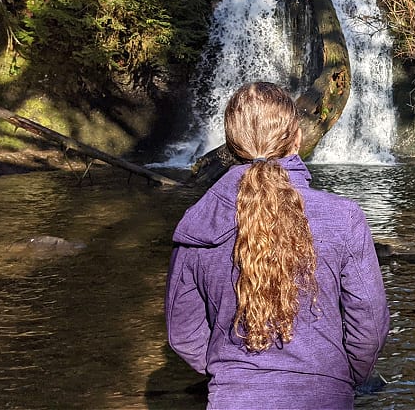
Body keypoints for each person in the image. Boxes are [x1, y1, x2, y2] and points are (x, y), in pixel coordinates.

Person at [165, 82, 390, 409]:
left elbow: (182, 334)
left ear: (230, 146)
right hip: (323, 398)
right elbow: (369, 326)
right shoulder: (344, 218)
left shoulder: (197, 224)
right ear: (297, 139)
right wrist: (341, 374)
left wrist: (227, 369)